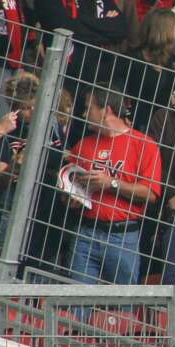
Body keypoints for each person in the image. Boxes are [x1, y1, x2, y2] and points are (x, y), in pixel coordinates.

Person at [64, 88, 164, 288]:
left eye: (88, 108)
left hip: (123, 235)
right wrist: (71, 198)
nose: (84, 114)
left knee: (122, 304)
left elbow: (151, 194)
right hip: (86, 230)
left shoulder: (144, 144)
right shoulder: (82, 145)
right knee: (76, 300)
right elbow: (69, 188)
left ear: (106, 110)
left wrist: (111, 183)